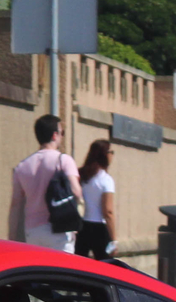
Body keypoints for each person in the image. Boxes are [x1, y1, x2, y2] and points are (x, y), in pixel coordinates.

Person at [7, 114, 82, 252]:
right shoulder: (63, 160)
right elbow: (76, 191)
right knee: (62, 271)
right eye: (62, 133)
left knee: (40, 270)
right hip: (59, 227)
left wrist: (11, 236)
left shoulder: (23, 166)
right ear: (55, 135)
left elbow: (15, 204)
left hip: (32, 230)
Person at [78, 138, 118, 265]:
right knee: (106, 267)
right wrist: (113, 240)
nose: (112, 155)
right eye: (111, 152)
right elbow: (108, 211)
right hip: (99, 228)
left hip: (81, 226)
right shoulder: (106, 180)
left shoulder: (82, 176)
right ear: (105, 155)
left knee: (78, 265)